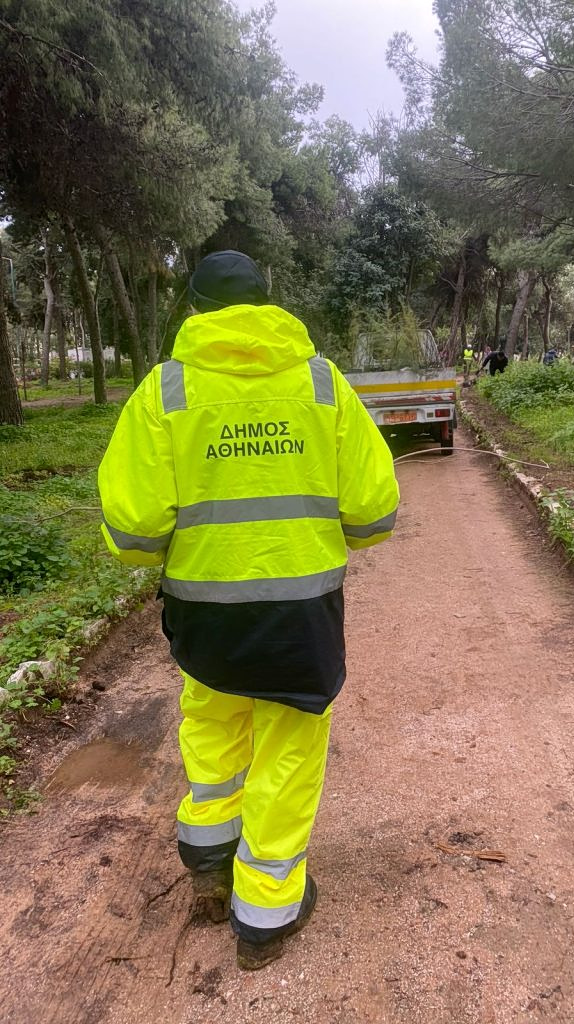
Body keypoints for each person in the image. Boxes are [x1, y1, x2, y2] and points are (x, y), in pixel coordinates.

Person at [98, 250, 399, 971]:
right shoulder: (322, 384)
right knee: (289, 755)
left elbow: (134, 530)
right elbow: (374, 512)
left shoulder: (165, 392)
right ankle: (264, 915)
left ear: (195, 311)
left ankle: (207, 857)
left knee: (213, 729)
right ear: (269, 303)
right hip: (302, 618)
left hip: (206, 616)